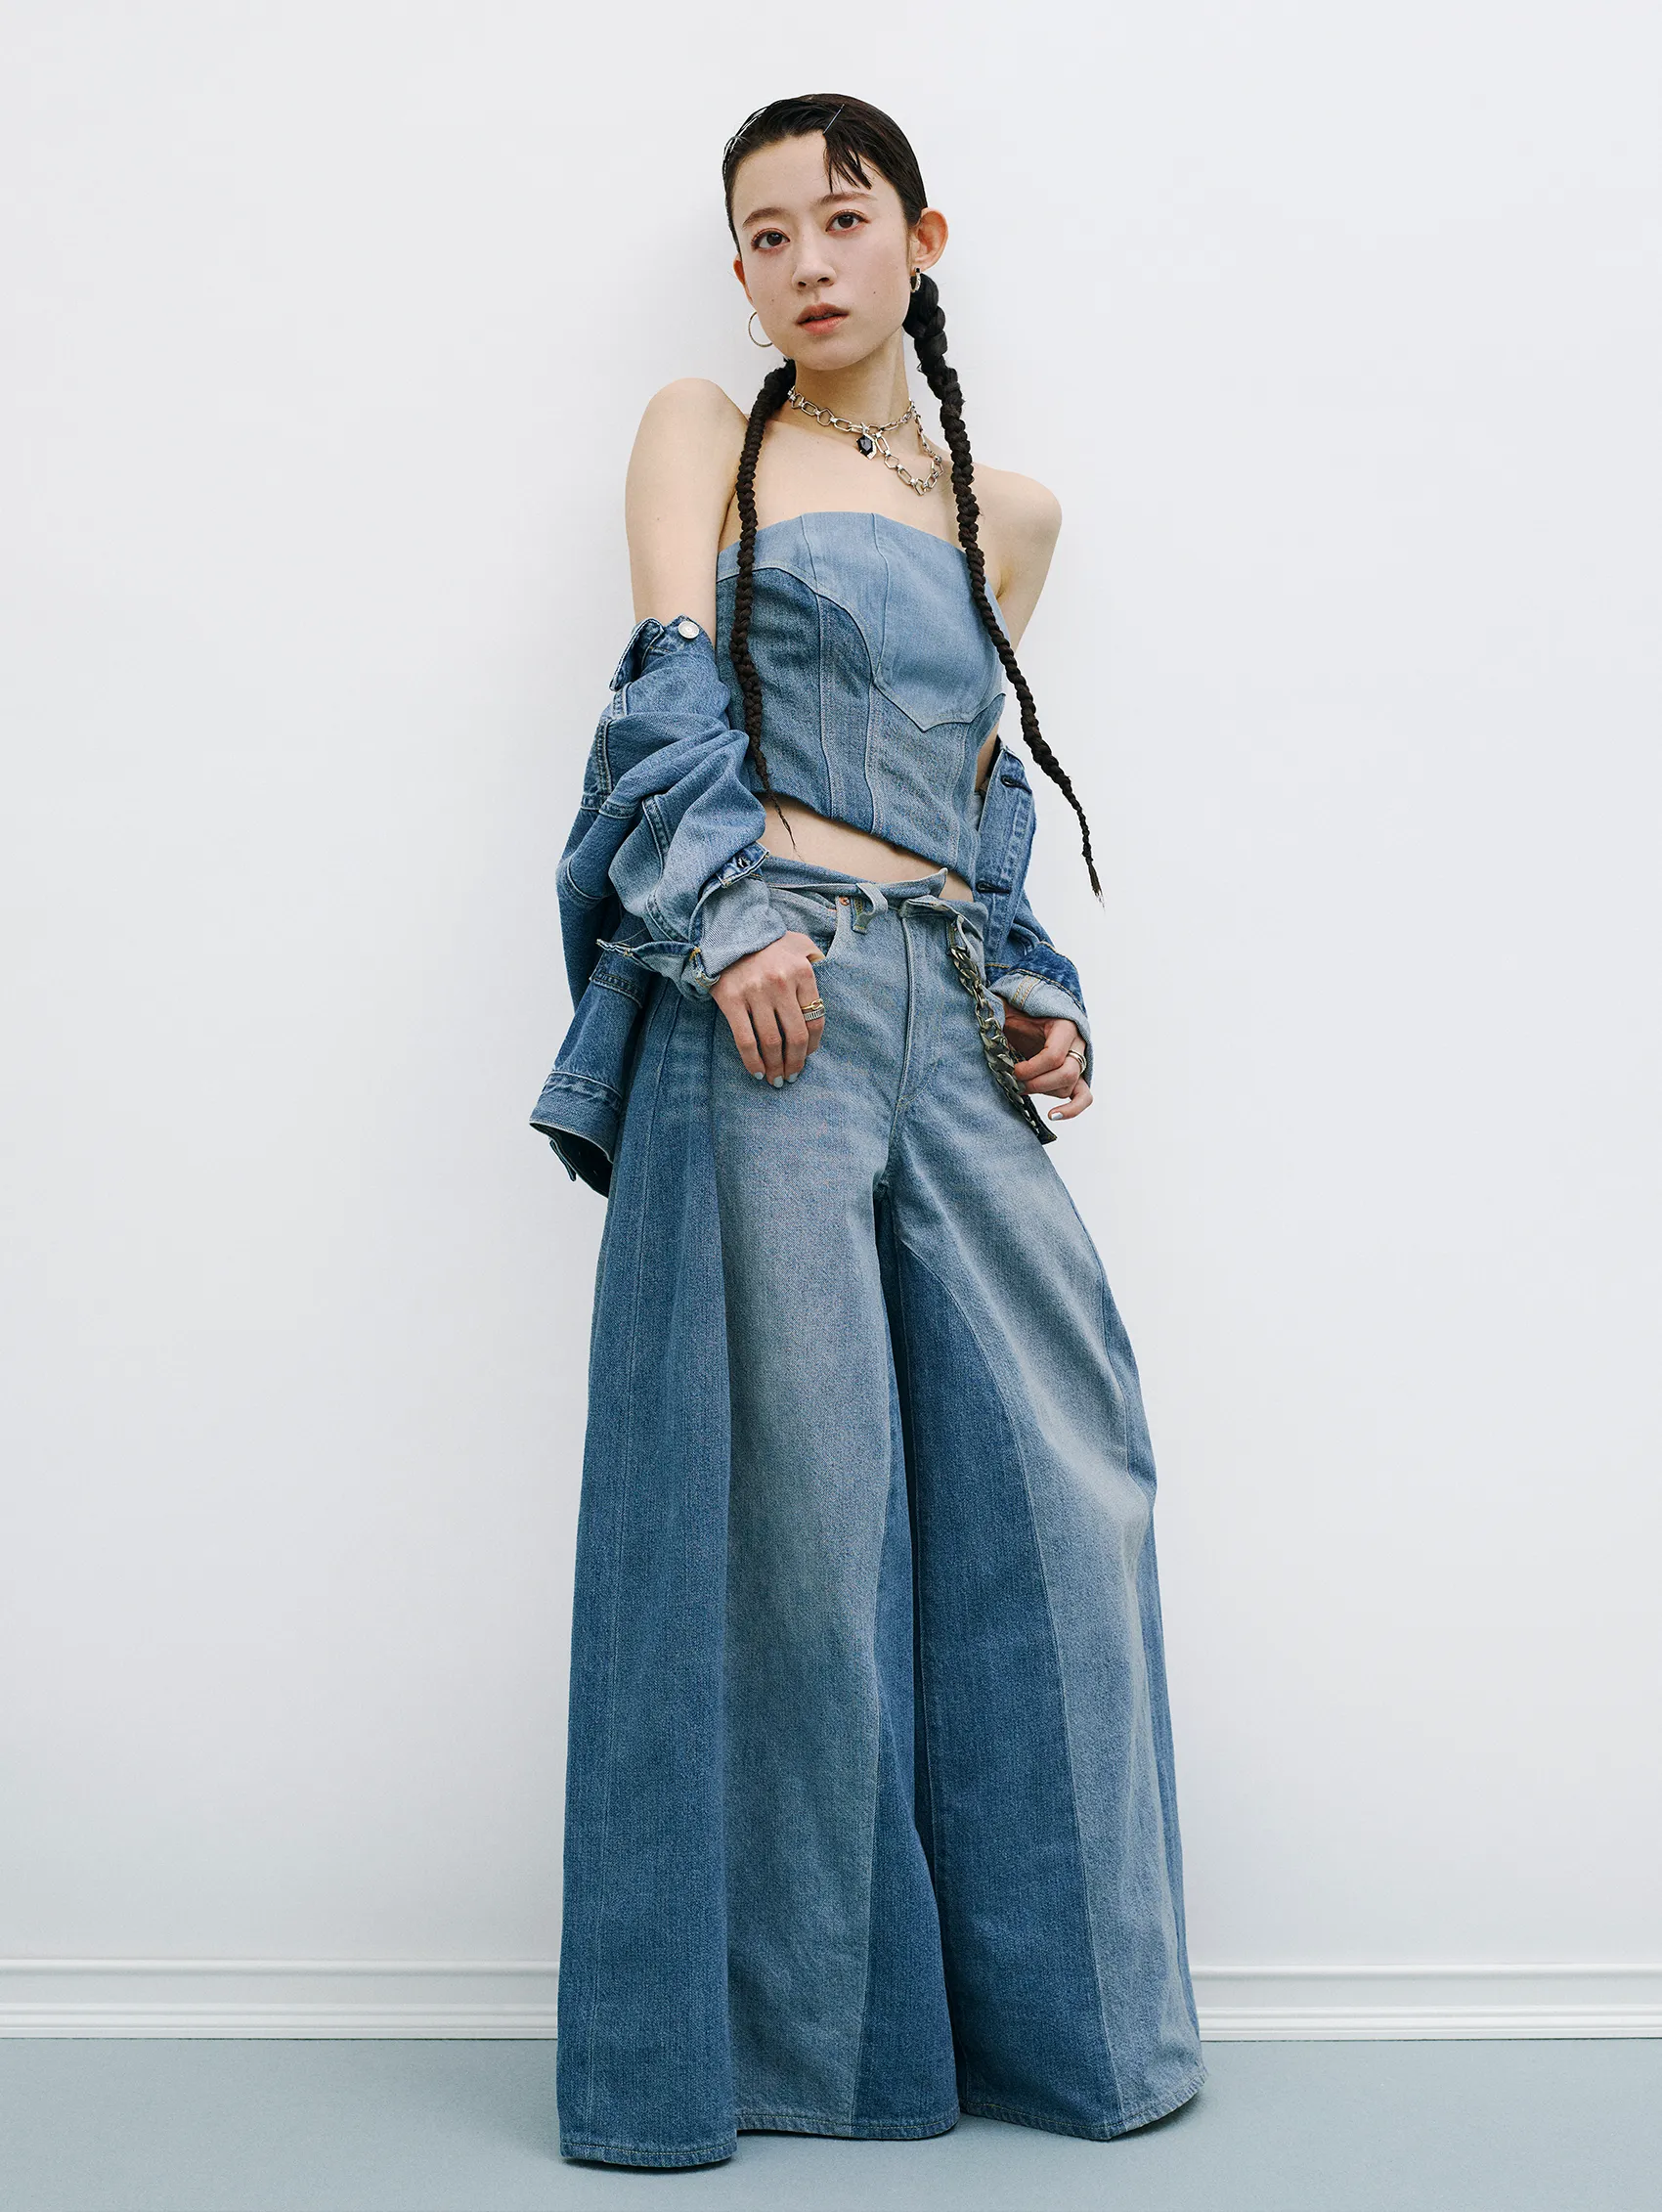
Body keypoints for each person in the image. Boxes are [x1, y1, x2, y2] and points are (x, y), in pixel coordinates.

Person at [529, 92, 1206, 2172]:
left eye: (839, 219)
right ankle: (803, 2051)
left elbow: (979, 803)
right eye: (763, 235)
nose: (804, 262)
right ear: (737, 273)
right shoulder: (702, 436)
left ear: (922, 236)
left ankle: (1070, 2035)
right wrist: (729, 910)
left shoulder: (1012, 515)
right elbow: (662, 697)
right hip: (776, 1003)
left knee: (1068, 1485)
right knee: (802, 1516)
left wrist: (1034, 981)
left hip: (946, 1016)